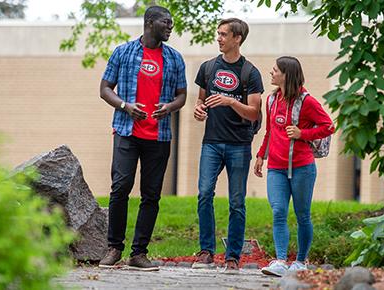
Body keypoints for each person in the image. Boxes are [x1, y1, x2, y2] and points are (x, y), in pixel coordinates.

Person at [98, 5, 187, 271]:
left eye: (172, 23)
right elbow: (104, 89)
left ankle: (139, 254)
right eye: (166, 22)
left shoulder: (175, 58)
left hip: (159, 136)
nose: (170, 27)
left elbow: (181, 96)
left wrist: (169, 107)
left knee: (151, 194)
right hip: (127, 132)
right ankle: (114, 248)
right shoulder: (123, 52)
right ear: (150, 22)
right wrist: (126, 106)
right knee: (121, 187)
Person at [192, 18, 264, 271]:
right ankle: (205, 252)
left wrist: (230, 101)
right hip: (211, 143)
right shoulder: (208, 68)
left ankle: (233, 256)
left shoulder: (250, 73)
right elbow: (201, 101)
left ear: (238, 39)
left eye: (224, 35)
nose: (219, 38)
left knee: (236, 202)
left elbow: (254, 113)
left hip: (239, 145)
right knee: (203, 195)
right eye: (218, 33)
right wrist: (199, 110)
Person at [254, 56, 334, 277]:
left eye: (275, 70)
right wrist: (261, 155)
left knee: (302, 215)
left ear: (286, 75)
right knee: (278, 211)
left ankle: (300, 261)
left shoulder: (307, 101)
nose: (271, 73)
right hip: (276, 169)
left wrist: (303, 134)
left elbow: (328, 126)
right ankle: (280, 261)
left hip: (302, 168)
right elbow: (270, 132)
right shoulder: (271, 100)